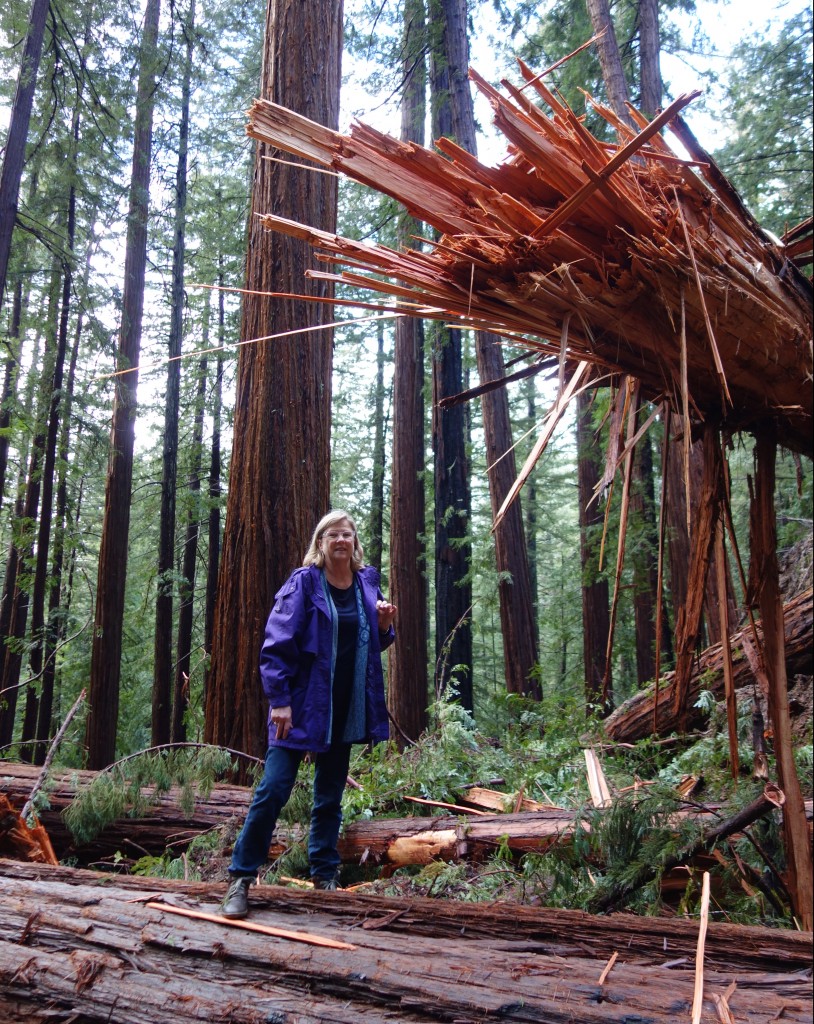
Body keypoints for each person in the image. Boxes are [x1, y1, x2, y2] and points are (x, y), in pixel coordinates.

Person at [220, 509, 396, 919]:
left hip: (343, 708)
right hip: (298, 707)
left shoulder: (366, 584)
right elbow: (277, 642)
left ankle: (325, 875)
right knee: (273, 789)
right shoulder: (304, 583)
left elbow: (368, 646)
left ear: (355, 543)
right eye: (333, 534)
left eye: (347, 534)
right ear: (320, 542)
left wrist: (385, 626)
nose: (340, 541)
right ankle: (241, 878)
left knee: (329, 796)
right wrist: (279, 699)